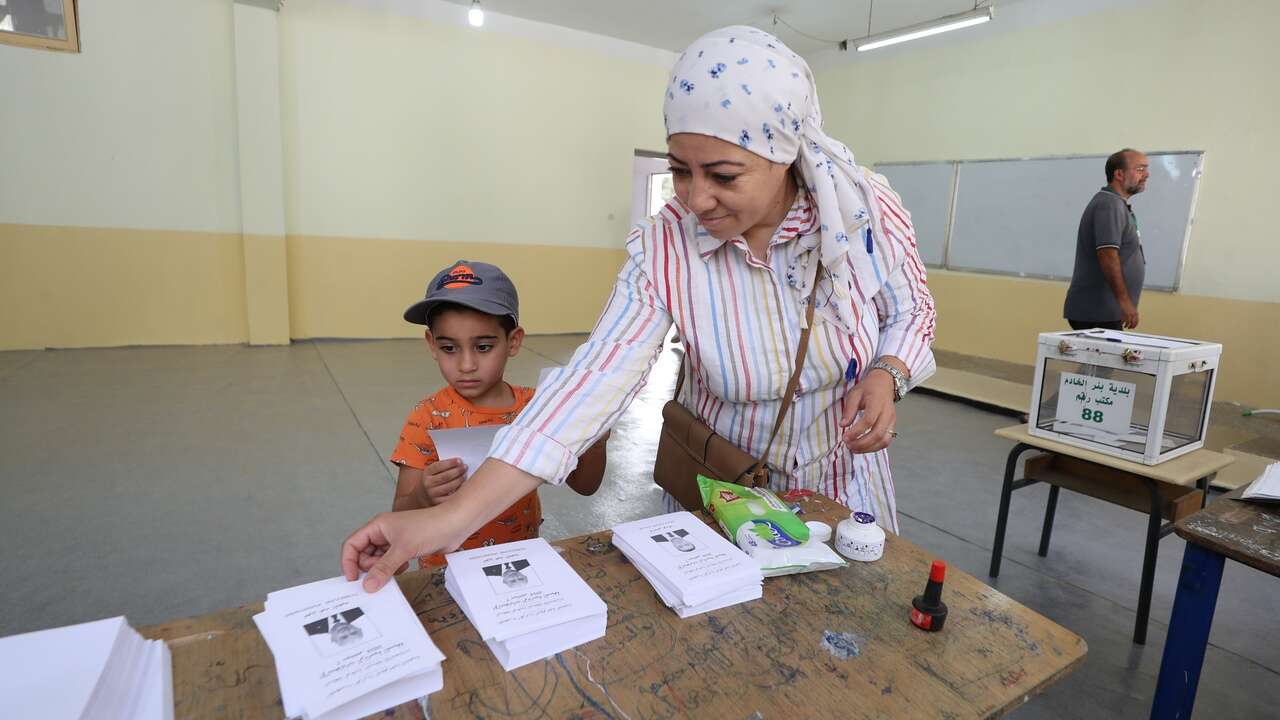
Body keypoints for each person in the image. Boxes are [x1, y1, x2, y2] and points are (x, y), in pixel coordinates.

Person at [344, 27, 936, 592]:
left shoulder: (860, 210)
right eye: (680, 170)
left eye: (723, 175)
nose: (697, 198)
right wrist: (444, 522)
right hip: (722, 485)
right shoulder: (667, 245)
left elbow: (912, 311)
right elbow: (592, 380)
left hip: (837, 483)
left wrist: (888, 373)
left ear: (786, 154)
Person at [388, 260, 607, 568]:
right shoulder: (426, 417)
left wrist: (596, 440)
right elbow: (401, 514)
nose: (466, 365)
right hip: (445, 572)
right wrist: (424, 495)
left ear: (513, 342)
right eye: (449, 348)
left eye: (483, 347)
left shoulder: (537, 408)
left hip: (519, 560)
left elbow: (585, 485)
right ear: (432, 345)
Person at [1064, 149, 1150, 330]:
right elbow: (1107, 255)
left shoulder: (1116, 204)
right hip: (1098, 311)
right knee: (1110, 359)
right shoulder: (1109, 205)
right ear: (1119, 174)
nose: (1147, 175)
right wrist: (1125, 302)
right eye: (1140, 169)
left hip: (1105, 311)